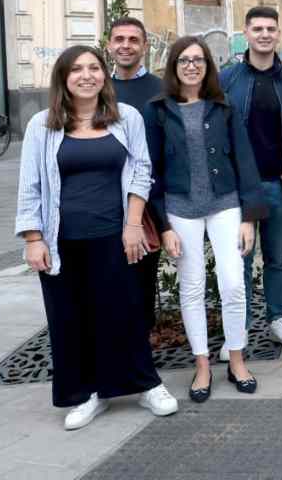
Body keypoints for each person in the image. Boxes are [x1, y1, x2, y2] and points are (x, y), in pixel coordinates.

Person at [16, 46, 178, 430]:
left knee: (126, 313)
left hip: (116, 237)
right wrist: (33, 238)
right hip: (62, 240)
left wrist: (134, 224)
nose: (86, 75)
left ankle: (146, 384)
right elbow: (30, 186)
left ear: (104, 75)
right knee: (70, 319)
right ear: (64, 78)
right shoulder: (42, 125)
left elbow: (142, 171)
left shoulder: (128, 119)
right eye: (77, 69)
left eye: (94, 68)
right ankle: (88, 393)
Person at [144, 37, 265, 401]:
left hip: (226, 204)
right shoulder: (159, 110)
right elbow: (152, 172)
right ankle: (201, 366)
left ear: (208, 66)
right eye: (184, 60)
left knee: (232, 284)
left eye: (198, 60)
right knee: (192, 287)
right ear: (174, 66)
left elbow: (245, 161)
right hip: (181, 209)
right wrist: (163, 226)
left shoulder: (222, 107)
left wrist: (249, 218)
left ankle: (237, 358)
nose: (192, 66)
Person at [219, 6, 282, 351]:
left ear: (278, 33)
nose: (264, 34)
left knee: (277, 257)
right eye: (257, 28)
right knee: (239, 259)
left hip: (277, 183)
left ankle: (278, 318)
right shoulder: (227, 79)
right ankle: (238, 330)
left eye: (271, 28)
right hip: (237, 189)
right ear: (245, 32)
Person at [106, 16, 165, 330]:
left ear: (145, 45)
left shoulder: (161, 90)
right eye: (119, 39)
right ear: (109, 45)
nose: (125, 45)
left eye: (133, 39)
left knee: (141, 286)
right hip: (103, 204)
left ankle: (141, 364)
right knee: (107, 289)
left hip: (149, 206)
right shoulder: (96, 89)